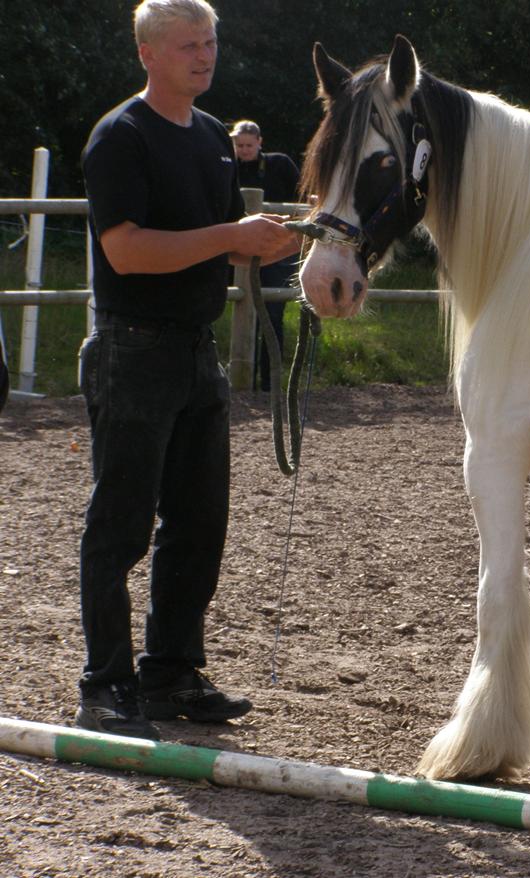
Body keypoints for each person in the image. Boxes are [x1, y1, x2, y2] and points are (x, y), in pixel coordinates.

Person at [77, 0, 298, 739]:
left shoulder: (209, 137)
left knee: (200, 524)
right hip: (132, 348)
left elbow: (219, 241)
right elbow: (127, 251)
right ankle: (105, 685)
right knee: (121, 527)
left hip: (193, 351)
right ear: (148, 54)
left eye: (209, 43)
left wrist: (275, 241)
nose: (204, 56)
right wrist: (229, 235)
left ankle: (170, 672)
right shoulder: (121, 138)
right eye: (187, 46)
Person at [229, 119, 301, 392]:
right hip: (236, 247)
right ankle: (233, 375)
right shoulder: (228, 167)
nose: (244, 150)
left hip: (275, 250)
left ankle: (270, 383)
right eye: (239, 145)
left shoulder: (279, 164)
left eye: (249, 145)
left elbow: (302, 192)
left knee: (271, 314)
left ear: (260, 143)